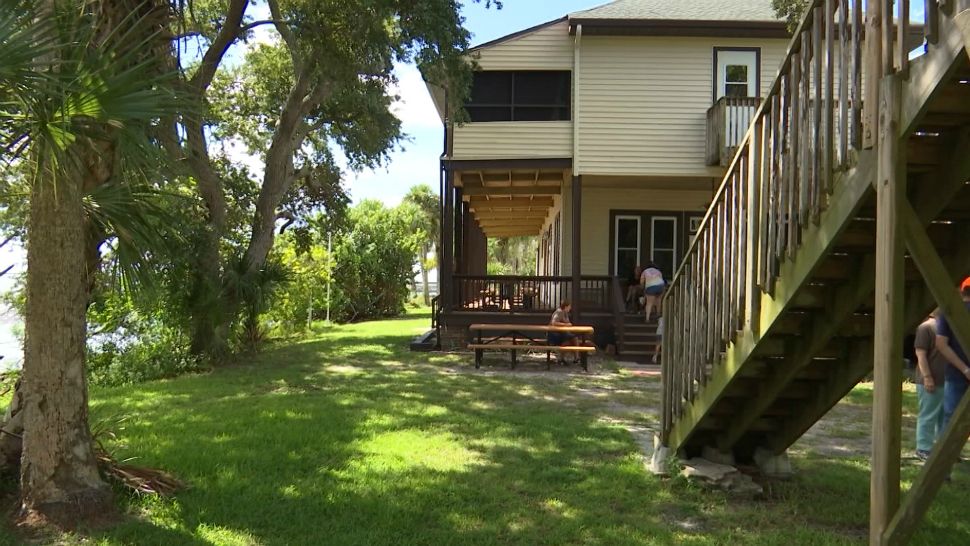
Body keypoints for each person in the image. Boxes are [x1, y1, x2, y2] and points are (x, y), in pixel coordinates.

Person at [936, 284, 970, 432]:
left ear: (962, 291)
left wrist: (965, 369)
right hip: (956, 375)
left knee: (951, 417)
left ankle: (947, 455)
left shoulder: (949, 312)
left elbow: (941, 344)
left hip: (955, 372)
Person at [913, 310, 946, 460]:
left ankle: (943, 448)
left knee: (944, 416)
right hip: (930, 380)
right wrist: (927, 377)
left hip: (946, 380)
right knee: (928, 415)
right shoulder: (926, 327)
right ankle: (923, 448)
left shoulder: (947, 327)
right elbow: (920, 354)